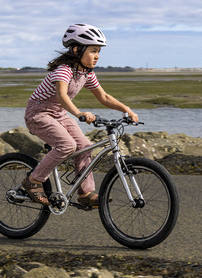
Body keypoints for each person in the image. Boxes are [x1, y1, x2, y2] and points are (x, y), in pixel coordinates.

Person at [22, 23, 138, 207]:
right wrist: (79, 113)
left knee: (84, 145)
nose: (97, 56)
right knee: (67, 145)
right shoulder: (63, 70)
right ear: (77, 50)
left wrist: (127, 110)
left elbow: (104, 97)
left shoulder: (87, 73)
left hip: (58, 113)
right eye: (93, 50)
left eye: (99, 51)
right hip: (38, 113)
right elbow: (61, 96)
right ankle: (34, 180)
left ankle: (85, 193)